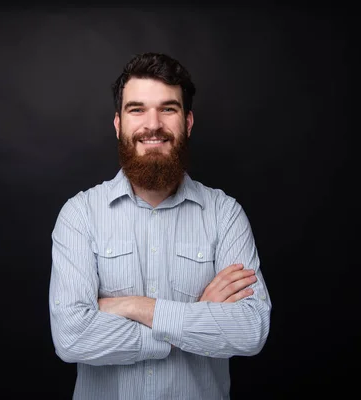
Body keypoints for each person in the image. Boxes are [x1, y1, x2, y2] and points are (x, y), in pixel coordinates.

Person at [49, 52, 271, 400]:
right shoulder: (80, 215)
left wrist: (133, 306)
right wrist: (195, 321)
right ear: (119, 124)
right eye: (137, 109)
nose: (152, 125)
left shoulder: (224, 214)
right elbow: (71, 337)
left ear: (188, 121)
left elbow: (250, 330)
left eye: (168, 108)